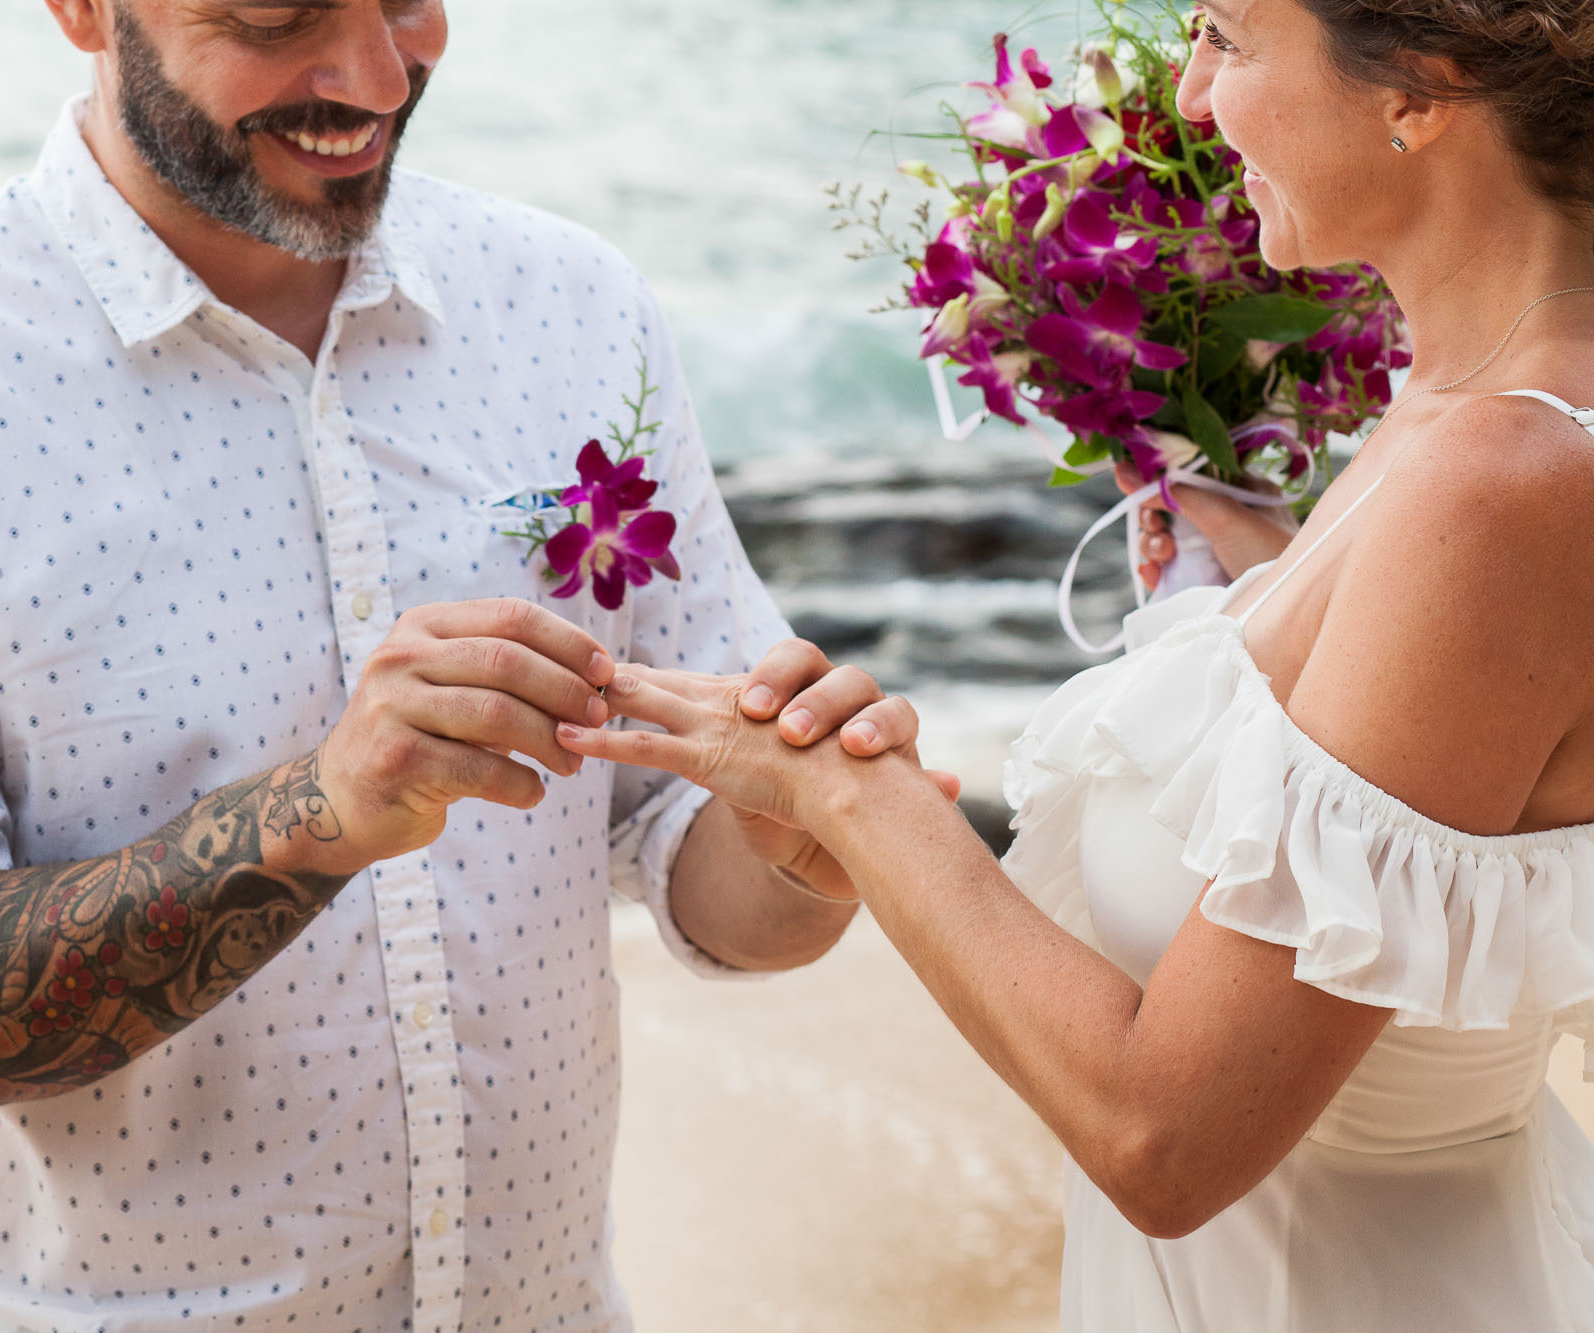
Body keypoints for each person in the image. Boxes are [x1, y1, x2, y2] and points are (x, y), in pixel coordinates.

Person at [0, 1, 930, 1327]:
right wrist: (315, 817)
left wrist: (798, 850)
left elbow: (693, 847)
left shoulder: (575, 308)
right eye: (279, 14)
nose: (376, 78)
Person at [554, 0, 1594, 1327]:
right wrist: (1247, 606)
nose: (1194, 96)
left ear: (1420, 87)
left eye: (1228, 36)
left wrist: (852, 792)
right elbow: (1439, 782)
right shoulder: (1469, 404)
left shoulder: (1500, 483)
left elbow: (1164, 1136)